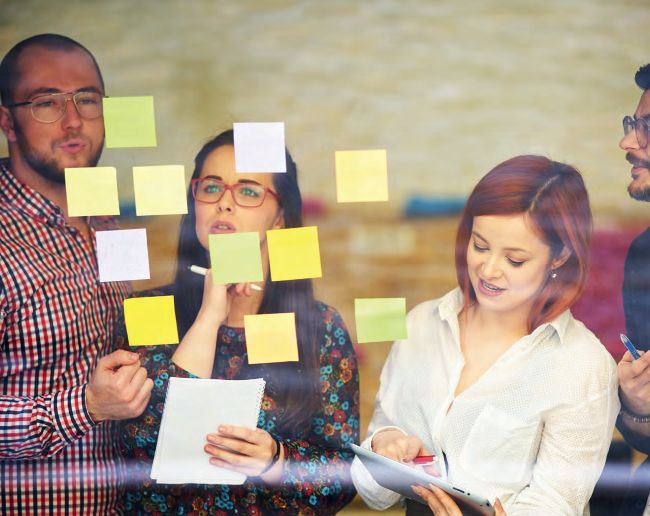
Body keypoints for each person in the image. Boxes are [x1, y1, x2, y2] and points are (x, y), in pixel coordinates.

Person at [350, 155, 619, 515]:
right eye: (479, 246)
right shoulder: (421, 324)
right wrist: (385, 444)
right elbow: (374, 492)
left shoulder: (582, 365)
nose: (489, 270)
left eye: (515, 260)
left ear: (559, 257)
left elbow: (557, 503)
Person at [120, 129, 359, 514]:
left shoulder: (320, 327)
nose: (224, 204)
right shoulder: (147, 309)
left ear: (280, 218)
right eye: (211, 187)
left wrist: (275, 459)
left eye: (248, 191)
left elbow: (343, 476)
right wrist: (209, 317)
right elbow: (146, 446)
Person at [0, 34, 152, 514]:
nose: (72, 121)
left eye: (86, 99)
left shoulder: (105, 220)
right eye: (46, 102)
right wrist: (86, 406)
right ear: (6, 121)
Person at [615, 63, 650, 516]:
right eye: (631, 124)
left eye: (648, 128)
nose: (627, 142)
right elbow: (644, 436)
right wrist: (638, 406)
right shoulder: (644, 254)